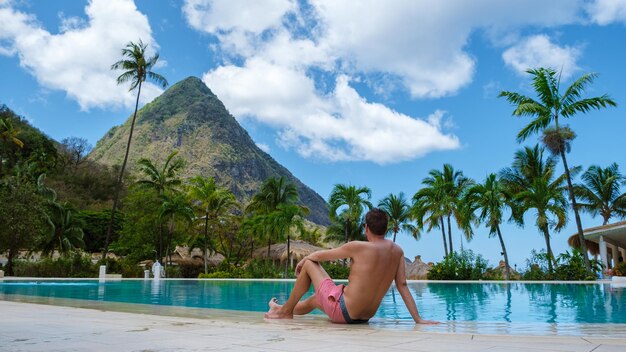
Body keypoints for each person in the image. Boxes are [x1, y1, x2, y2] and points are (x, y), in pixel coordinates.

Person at [265, 208, 438, 324]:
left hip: (343, 311)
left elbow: (318, 256)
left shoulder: (359, 247)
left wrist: (303, 261)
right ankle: (281, 308)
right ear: (386, 229)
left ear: (366, 228)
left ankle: (285, 313)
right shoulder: (398, 252)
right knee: (315, 300)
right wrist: (418, 319)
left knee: (310, 263)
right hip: (364, 317)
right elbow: (403, 286)